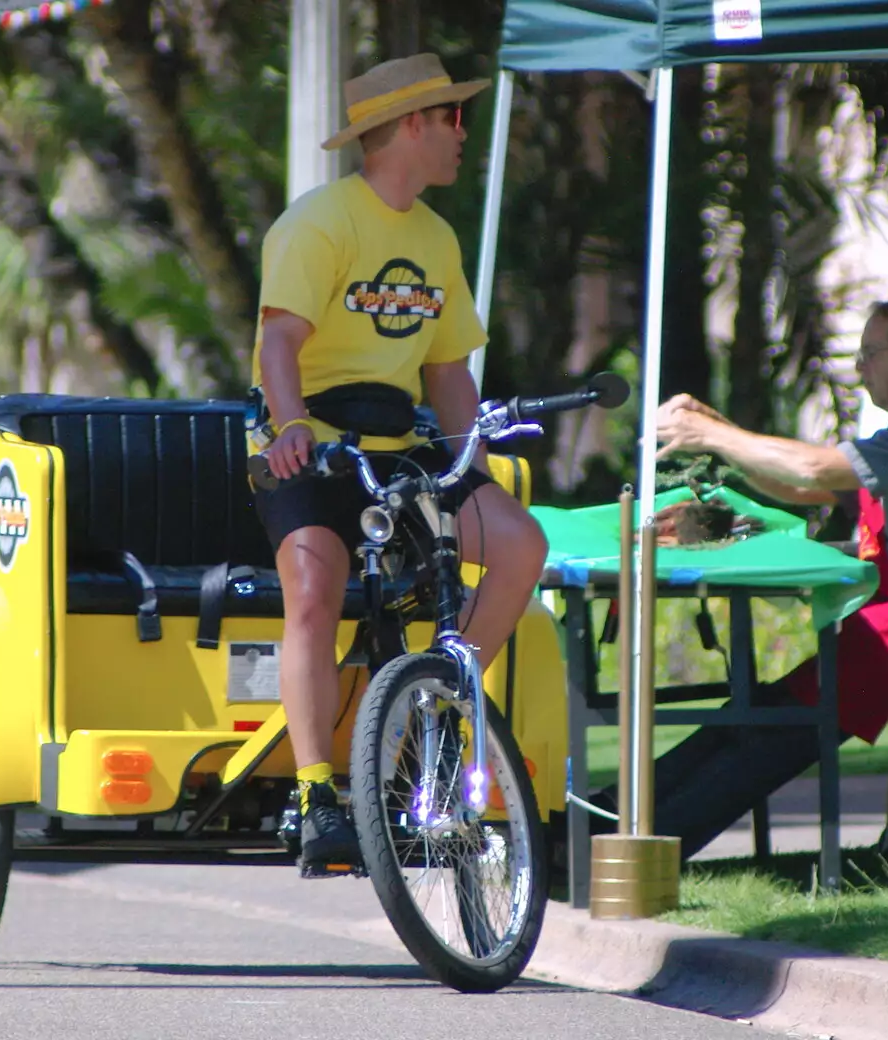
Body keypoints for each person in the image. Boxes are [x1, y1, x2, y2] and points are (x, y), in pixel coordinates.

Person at [249, 53, 548, 877]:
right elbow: (279, 340)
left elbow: (449, 371)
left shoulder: (435, 237)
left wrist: (466, 465)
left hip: (400, 447)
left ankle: (439, 715)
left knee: (521, 545)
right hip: (310, 440)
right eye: (453, 118)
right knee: (313, 591)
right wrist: (289, 427)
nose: (463, 134)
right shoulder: (320, 221)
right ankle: (316, 796)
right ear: (413, 124)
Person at [611, 296, 888, 860]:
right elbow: (803, 489)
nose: (860, 366)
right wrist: (720, 429)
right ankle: (611, 815)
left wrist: (713, 435)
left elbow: (814, 468)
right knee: (758, 713)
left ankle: (645, 847)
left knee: (780, 730)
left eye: (872, 352)